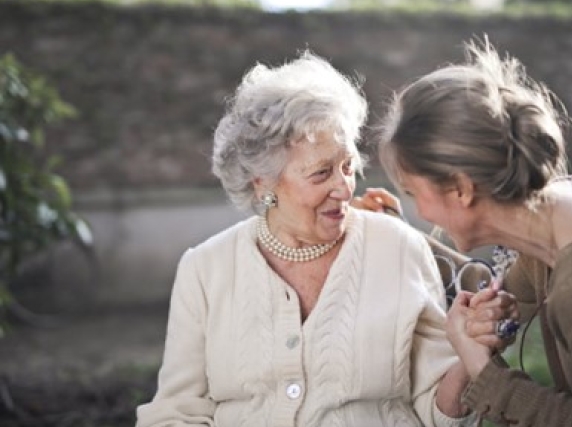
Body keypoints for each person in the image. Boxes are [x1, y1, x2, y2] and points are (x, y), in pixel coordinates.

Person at [135, 51, 517, 427]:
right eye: (320, 174)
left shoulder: (399, 248)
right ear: (262, 182)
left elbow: (436, 410)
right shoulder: (206, 268)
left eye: (348, 166)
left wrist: (470, 355)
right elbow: (177, 412)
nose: (343, 188)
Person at [377, 38, 572, 426]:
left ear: (462, 189)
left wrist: (487, 376)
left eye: (415, 193)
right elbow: (506, 294)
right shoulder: (570, 203)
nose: (421, 211)